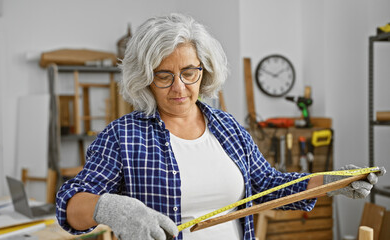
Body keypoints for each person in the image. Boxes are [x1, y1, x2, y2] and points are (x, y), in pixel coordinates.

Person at [56, 13, 385, 240]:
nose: (179, 88)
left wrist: (330, 182)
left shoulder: (228, 128)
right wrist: (109, 207)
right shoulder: (123, 137)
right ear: (144, 79)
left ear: (205, 70)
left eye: (189, 72)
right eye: (164, 76)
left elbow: (268, 184)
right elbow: (67, 205)